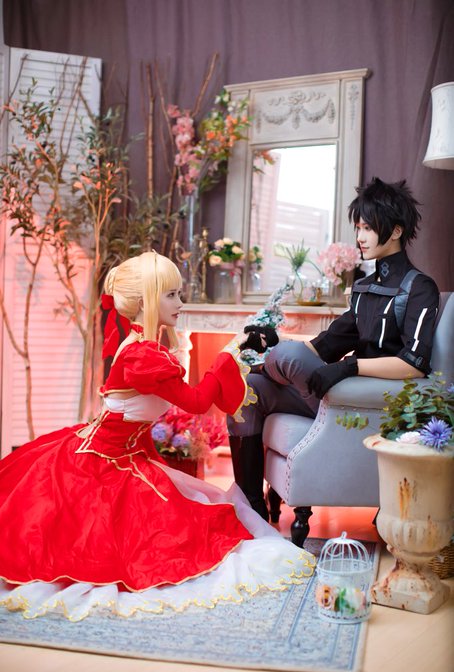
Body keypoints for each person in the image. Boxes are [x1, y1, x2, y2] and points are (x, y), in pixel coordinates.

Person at [0, 251, 315, 621]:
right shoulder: (142, 355)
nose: (180, 303)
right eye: (171, 295)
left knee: (189, 518)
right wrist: (230, 352)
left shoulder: (143, 347)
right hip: (101, 463)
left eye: (179, 294)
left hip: (122, 455)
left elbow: (143, 420)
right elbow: (197, 401)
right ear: (147, 300)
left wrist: (237, 348)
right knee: (121, 545)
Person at [228, 177, 440, 521]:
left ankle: (263, 365)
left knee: (286, 358)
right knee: (247, 390)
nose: (360, 237)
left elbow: (415, 364)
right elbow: (325, 346)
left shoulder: (419, 288)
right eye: (358, 228)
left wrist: (350, 367)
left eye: (368, 228)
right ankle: (251, 510)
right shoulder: (364, 288)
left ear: (396, 231)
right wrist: (273, 342)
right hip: (338, 395)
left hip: (369, 401)